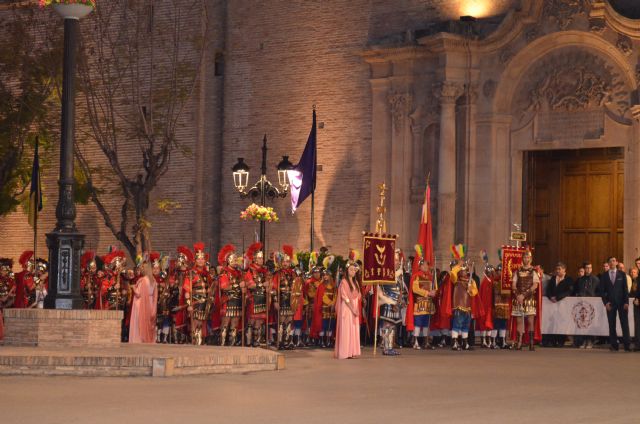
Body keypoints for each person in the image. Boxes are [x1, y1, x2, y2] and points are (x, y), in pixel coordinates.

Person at [406, 246, 437, 350]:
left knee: (426, 324)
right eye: (425, 265)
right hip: (419, 303)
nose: (427, 266)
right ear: (420, 266)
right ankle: (415, 341)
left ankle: (425, 342)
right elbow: (415, 289)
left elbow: (434, 288)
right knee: (418, 323)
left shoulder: (430, 276)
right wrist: (427, 293)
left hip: (428, 303)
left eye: (427, 265)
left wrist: (433, 292)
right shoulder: (416, 276)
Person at [511, 247, 540, 351]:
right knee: (519, 321)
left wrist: (524, 295)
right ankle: (519, 343)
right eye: (525, 257)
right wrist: (518, 295)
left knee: (530, 321)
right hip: (518, 298)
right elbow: (514, 285)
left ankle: (531, 343)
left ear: (531, 259)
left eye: (528, 257)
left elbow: (535, 285)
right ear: (522, 258)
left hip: (529, 299)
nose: (526, 258)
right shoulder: (517, 271)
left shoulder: (534, 271)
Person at [377, 249, 405, 356]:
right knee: (387, 324)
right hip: (388, 302)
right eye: (395, 260)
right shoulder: (386, 272)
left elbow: (400, 289)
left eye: (398, 260)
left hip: (395, 303)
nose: (397, 262)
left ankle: (390, 347)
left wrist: (399, 301)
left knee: (392, 326)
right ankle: (386, 347)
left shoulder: (398, 274)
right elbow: (383, 287)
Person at [600, 256, 631, 352]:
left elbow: (625, 289)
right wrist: (606, 303)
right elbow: (601, 291)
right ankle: (614, 345)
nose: (612, 262)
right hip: (610, 304)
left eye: (614, 261)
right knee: (611, 324)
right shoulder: (604, 275)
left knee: (624, 324)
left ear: (617, 262)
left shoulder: (622, 274)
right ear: (608, 264)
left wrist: (626, 302)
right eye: (610, 261)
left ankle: (627, 345)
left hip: (622, 303)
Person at [334, 252, 362, 360]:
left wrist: (358, 300)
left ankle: (352, 351)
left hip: (354, 307)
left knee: (354, 330)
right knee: (346, 330)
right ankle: (345, 352)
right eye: (351, 270)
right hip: (347, 309)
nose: (353, 272)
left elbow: (358, 296)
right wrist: (352, 309)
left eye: (354, 270)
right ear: (347, 270)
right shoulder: (344, 282)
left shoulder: (356, 283)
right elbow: (345, 298)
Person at [218, 244, 244, 346]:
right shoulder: (224, 272)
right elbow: (224, 287)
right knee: (225, 324)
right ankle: (222, 344)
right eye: (233, 259)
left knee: (234, 325)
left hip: (237, 300)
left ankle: (232, 345)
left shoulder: (239, 273)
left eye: (236, 259)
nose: (235, 261)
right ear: (228, 260)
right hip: (228, 300)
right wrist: (237, 285)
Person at [129, 254, 158, 344]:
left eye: (142, 268)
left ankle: (138, 339)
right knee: (147, 322)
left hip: (141, 303)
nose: (141, 269)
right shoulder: (154, 280)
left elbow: (138, 294)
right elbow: (155, 296)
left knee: (139, 323)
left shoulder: (143, 280)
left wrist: (133, 287)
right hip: (150, 303)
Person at [245, 242, 269, 347]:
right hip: (253, 298)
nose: (261, 260)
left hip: (262, 298)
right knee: (251, 321)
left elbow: (269, 283)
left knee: (259, 321)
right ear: (255, 259)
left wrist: (269, 285)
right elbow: (250, 285)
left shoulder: (264, 271)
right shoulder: (250, 270)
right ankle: (249, 341)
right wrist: (262, 284)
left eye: (262, 258)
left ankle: (257, 341)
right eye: (259, 258)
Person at [545, 262, 573, 347]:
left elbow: (569, 291)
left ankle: (561, 341)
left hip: (563, 305)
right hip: (552, 304)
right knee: (552, 322)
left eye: (559, 269)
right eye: (556, 269)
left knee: (561, 322)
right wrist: (550, 297)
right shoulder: (553, 279)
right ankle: (552, 341)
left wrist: (558, 297)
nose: (557, 271)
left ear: (564, 270)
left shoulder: (569, 279)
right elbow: (548, 290)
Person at [573, 262, 600, 349]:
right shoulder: (580, 280)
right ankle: (583, 340)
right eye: (587, 268)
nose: (588, 270)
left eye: (590, 268)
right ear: (584, 269)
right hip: (582, 305)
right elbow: (575, 291)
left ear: (592, 269)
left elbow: (599, 291)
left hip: (591, 305)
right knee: (582, 323)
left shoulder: (596, 279)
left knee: (590, 323)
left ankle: (590, 341)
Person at [0, 258, 16, 340]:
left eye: (6, 271)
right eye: (3, 270)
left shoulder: (9, 280)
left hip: (7, 303)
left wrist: (11, 294)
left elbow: (12, 292)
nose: (4, 272)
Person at [629, 267, 640, 351]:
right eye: (631, 272)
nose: (633, 273)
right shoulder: (635, 280)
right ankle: (637, 344)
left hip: (637, 302)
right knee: (637, 325)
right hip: (636, 303)